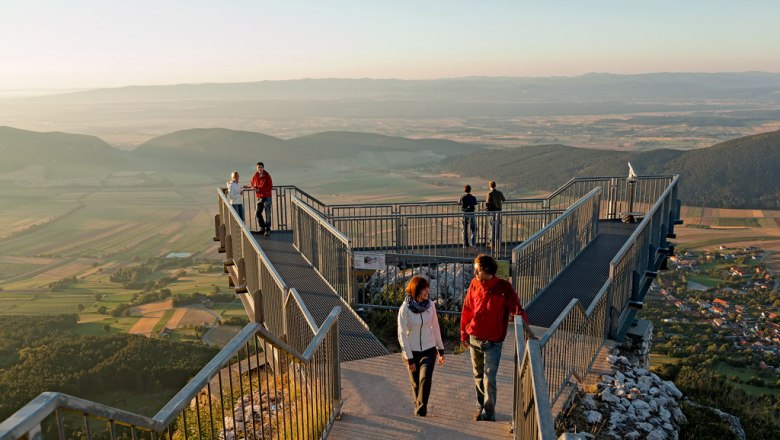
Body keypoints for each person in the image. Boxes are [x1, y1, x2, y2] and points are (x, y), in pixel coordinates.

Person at [460, 254, 528, 422]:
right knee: (478, 374)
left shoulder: (504, 288)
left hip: (493, 341)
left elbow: (517, 309)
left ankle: (489, 413)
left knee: (489, 378)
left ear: (486, 270)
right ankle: (480, 404)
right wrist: (463, 333)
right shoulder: (474, 284)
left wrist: (525, 331)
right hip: (474, 336)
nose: (474, 272)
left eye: (477, 269)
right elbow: (467, 309)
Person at [398, 275, 446, 417]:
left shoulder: (430, 305)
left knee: (425, 378)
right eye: (423, 289)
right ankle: (419, 408)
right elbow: (401, 335)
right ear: (416, 290)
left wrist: (440, 349)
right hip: (411, 351)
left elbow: (435, 327)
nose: (427, 292)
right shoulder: (405, 308)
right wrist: (410, 359)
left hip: (429, 349)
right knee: (415, 384)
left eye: (427, 288)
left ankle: (421, 411)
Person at [246, 162, 273, 236]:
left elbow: (270, 186)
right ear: (256, 168)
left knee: (267, 214)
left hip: (267, 197)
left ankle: (267, 229)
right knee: (258, 213)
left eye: (261, 167)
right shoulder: (256, 175)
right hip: (259, 197)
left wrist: (260, 190)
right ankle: (263, 228)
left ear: (263, 168)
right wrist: (252, 187)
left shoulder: (267, 175)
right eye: (258, 167)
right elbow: (252, 183)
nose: (259, 169)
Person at [485, 181, 505, 250]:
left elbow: (487, 203)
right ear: (495, 185)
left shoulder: (490, 193)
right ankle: (498, 244)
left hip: (492, 212)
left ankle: (492, 244)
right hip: (499, 212)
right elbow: (503, 199)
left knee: (491, 228)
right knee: (498, 228)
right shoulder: (500, 193)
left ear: (490, 186)